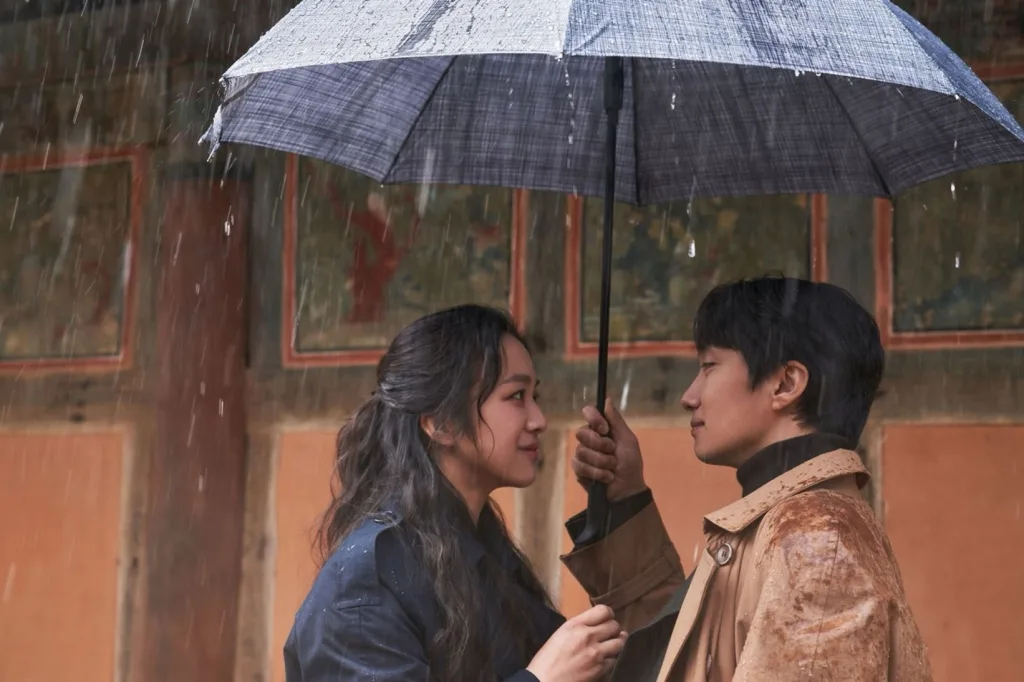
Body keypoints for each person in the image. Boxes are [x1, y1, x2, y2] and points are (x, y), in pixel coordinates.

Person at [562, 276, 932, 681]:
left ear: (785, 384)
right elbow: (688, 660)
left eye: (709, 367)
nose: (690, 395)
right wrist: (625, 498)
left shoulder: (817, 543)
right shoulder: (792, 524)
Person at [283, 304, 627, 682]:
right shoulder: (365, 579)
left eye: (535, 396)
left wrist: (624, 499)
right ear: (441, 423)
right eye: (515, 396)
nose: (538, 420)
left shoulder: (483, 558)